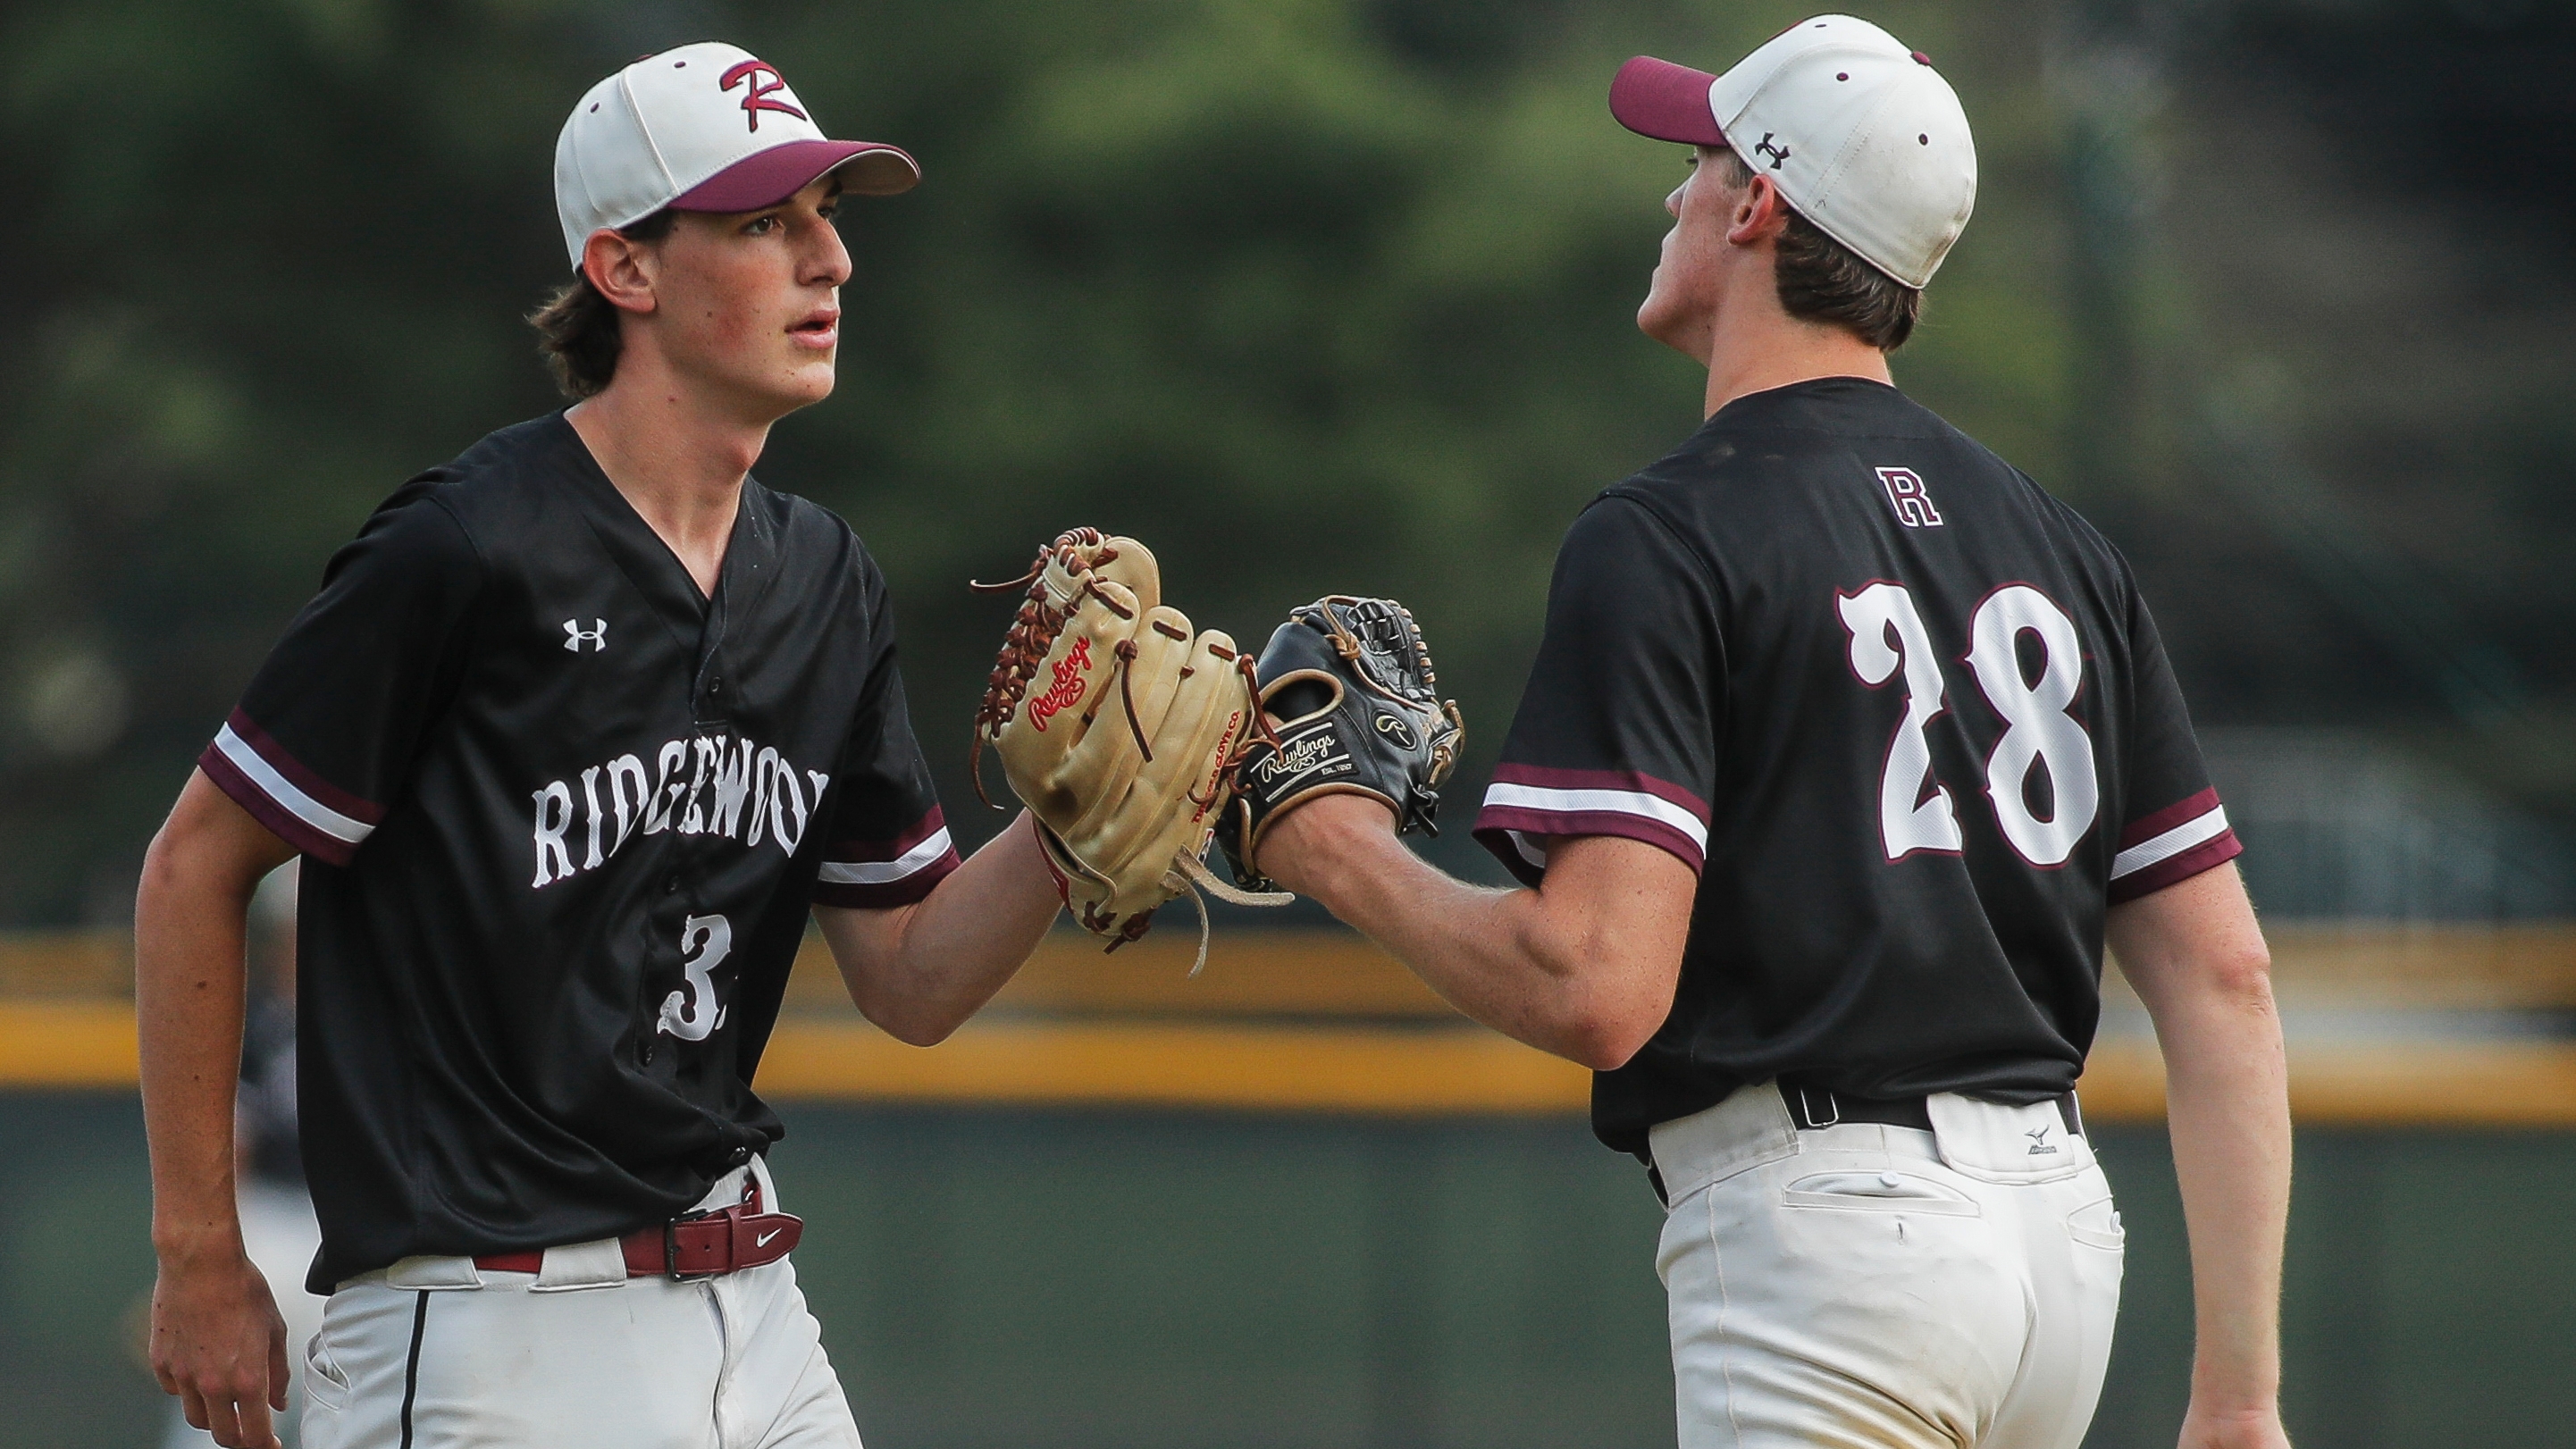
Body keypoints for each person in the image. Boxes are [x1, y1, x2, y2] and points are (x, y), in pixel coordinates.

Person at [1250, 18, 2293, 1449]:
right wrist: (2240, 1397)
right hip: (2060, 1248)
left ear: (1759, 207)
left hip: (1833, 1240)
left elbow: (1596, 981)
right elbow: (2227, 977)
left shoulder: (1668, 532)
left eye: (1695, 160)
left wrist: (1334, 851)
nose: (1669, 191)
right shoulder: (2064, 548)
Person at [135, 43, 1061, 1449]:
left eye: (828, 215)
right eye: (764, 223)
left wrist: (1063, 834)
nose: (831, 261)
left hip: (755, 1307)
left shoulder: (823, 580)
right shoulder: (465, 547)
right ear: (624, 271)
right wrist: (202, 1252)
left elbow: (914, 977)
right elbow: (194, 862)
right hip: (493, 1328)